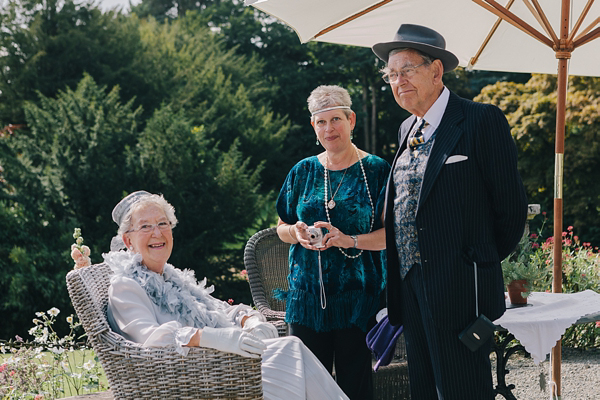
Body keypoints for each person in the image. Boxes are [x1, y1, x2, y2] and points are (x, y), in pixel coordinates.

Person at [372, 24, 528, 399]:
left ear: (436, 70)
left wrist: (475, 262)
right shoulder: (406, 129)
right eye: (391, 74)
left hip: (462, 288)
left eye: (407, 70)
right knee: (425, 388)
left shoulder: (479, 120)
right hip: (409, 285)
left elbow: (510, 207)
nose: (398, 81)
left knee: (463, 389)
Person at [104, 190, 349, 400]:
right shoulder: (125, 286)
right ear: (128, 240)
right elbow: (151, 340)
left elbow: (218, 310)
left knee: (292, 348)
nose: (157, 233)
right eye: (145, 226)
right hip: (192, 385)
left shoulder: (173, 277)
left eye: (162, 223)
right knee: (291, 356)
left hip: (222, 371)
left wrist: (248, 320)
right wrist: (215, 338)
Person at [275, 85, 391, 399]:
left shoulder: (377, 171)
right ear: (313, 126)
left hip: (358, 297)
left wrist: (349, 240)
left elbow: (390, 237)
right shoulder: (302, 171)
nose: (329, 128)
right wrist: (295, 234)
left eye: (336, 119)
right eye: (321, 122)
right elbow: (280, 226)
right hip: (307, 297)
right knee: (310, 386)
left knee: (355, 385)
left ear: (351, 120)